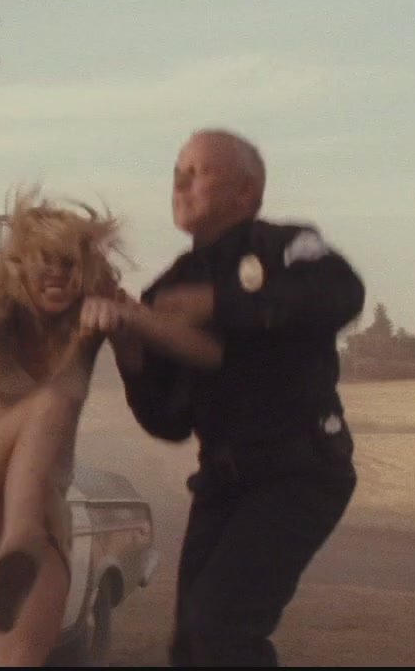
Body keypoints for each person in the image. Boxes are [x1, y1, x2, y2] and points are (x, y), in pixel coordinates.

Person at [0, 188, 224, 666]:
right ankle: (19, 538)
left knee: (22, 655)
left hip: (45, 510)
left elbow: (209, 353)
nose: (57, 273)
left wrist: (129, 319)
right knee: (52, 400)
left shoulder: (91, 318)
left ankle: (21, 548)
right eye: (44, 261)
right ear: (19, 267)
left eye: (68, 262)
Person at [115, 129, 367, 667]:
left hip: (299, 471)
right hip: (223, 482)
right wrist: (130, 352)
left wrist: (220, 303)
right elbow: (169, 420)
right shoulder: (166, 289)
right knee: (192, 643)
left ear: (245, 192)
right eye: (177, 172)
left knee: (220, 630)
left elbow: (341, 294)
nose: (180, 183)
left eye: (197, 172)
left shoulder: (285, 247)